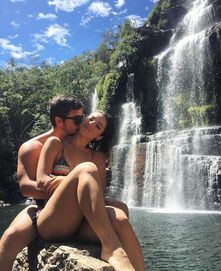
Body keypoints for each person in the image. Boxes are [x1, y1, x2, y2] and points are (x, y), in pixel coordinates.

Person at [35, 110, 145, 271]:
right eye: (91, 118)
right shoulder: (56, 144)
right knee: (86, 169)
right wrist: (72, 180)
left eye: (98, 126)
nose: (92, 124)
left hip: (82, 225)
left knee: (121, 214)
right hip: (54, 221)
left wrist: (73, 180)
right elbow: (42, 180)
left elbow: (97, 196)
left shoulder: (98, 158)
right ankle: (111, 248)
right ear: (84, 118)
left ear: (99, 136)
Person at [0, 95, 84, 270]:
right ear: (59, 121)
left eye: (82, 118)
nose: (81, 123)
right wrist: (65, 189)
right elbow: (26, 187)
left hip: (74, 209)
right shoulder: (32, 147)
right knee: (9, 239)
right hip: (39, 207)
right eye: (77, 119)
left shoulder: (77, 145)